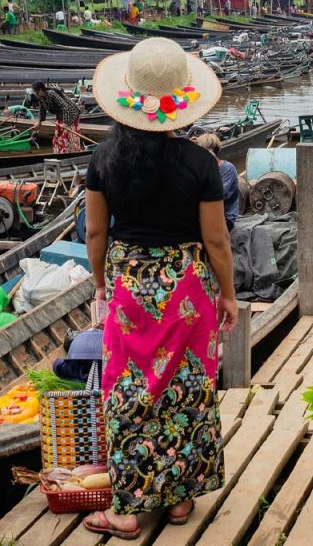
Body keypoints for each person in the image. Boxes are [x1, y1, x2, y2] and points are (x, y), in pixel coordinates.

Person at [83, 37, 233, 539]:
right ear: (179, 100)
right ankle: (180, 500)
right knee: (188, 388)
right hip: (188, 289)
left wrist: (101, 284)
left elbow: (96, 234)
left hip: (129, 287)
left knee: (129, 390)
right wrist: (229, 294)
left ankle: (127, 510)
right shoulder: (200, 163)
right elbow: (216, 240)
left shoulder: (103, 160)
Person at [194, 133, 240, 230]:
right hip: (205, 215)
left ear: (211, 151)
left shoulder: (228, 168)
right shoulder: (201, 168)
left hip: (224, 218)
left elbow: (215, 195)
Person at [32, 82, 83, 154]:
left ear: (40, 90)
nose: (34, 94)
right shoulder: (41, 98)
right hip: (61, 116)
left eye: (35, 92)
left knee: (67, 137)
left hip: (71, 114)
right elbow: (42, 110)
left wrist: (65, 123)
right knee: (57, 137)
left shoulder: (51, 94)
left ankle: (73, 153)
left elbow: (65, 107)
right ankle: (59, 153)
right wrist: (39, 123)